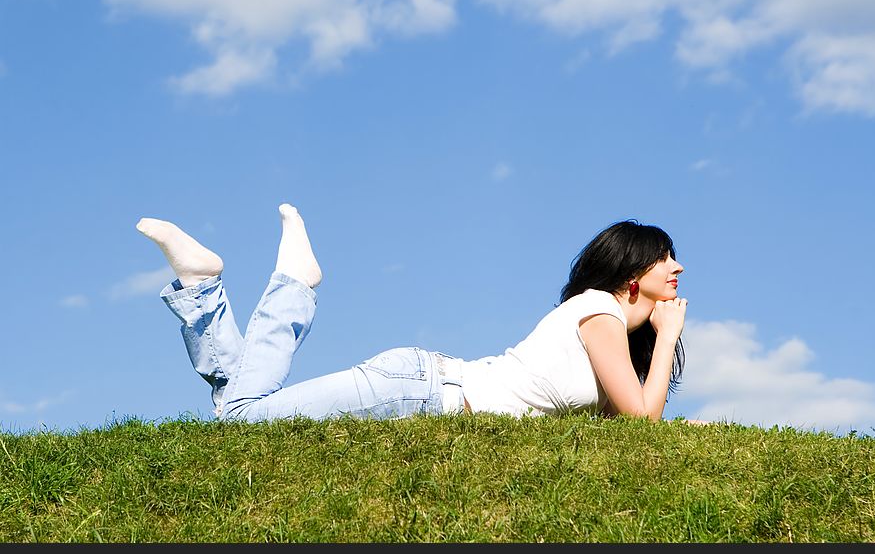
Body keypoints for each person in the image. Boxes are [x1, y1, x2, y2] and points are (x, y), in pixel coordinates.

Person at [137, 204, 700, 425]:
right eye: (663, 256)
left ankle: (200, 284)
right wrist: (669, 335)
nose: (676, 268)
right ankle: (289, 285)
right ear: (631, 271)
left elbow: (621, 432)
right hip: (422, 389)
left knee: (234, 409)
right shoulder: (597, 310)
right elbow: (642, 421)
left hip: (426, 389)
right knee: (239, 419)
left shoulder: (612, 335)